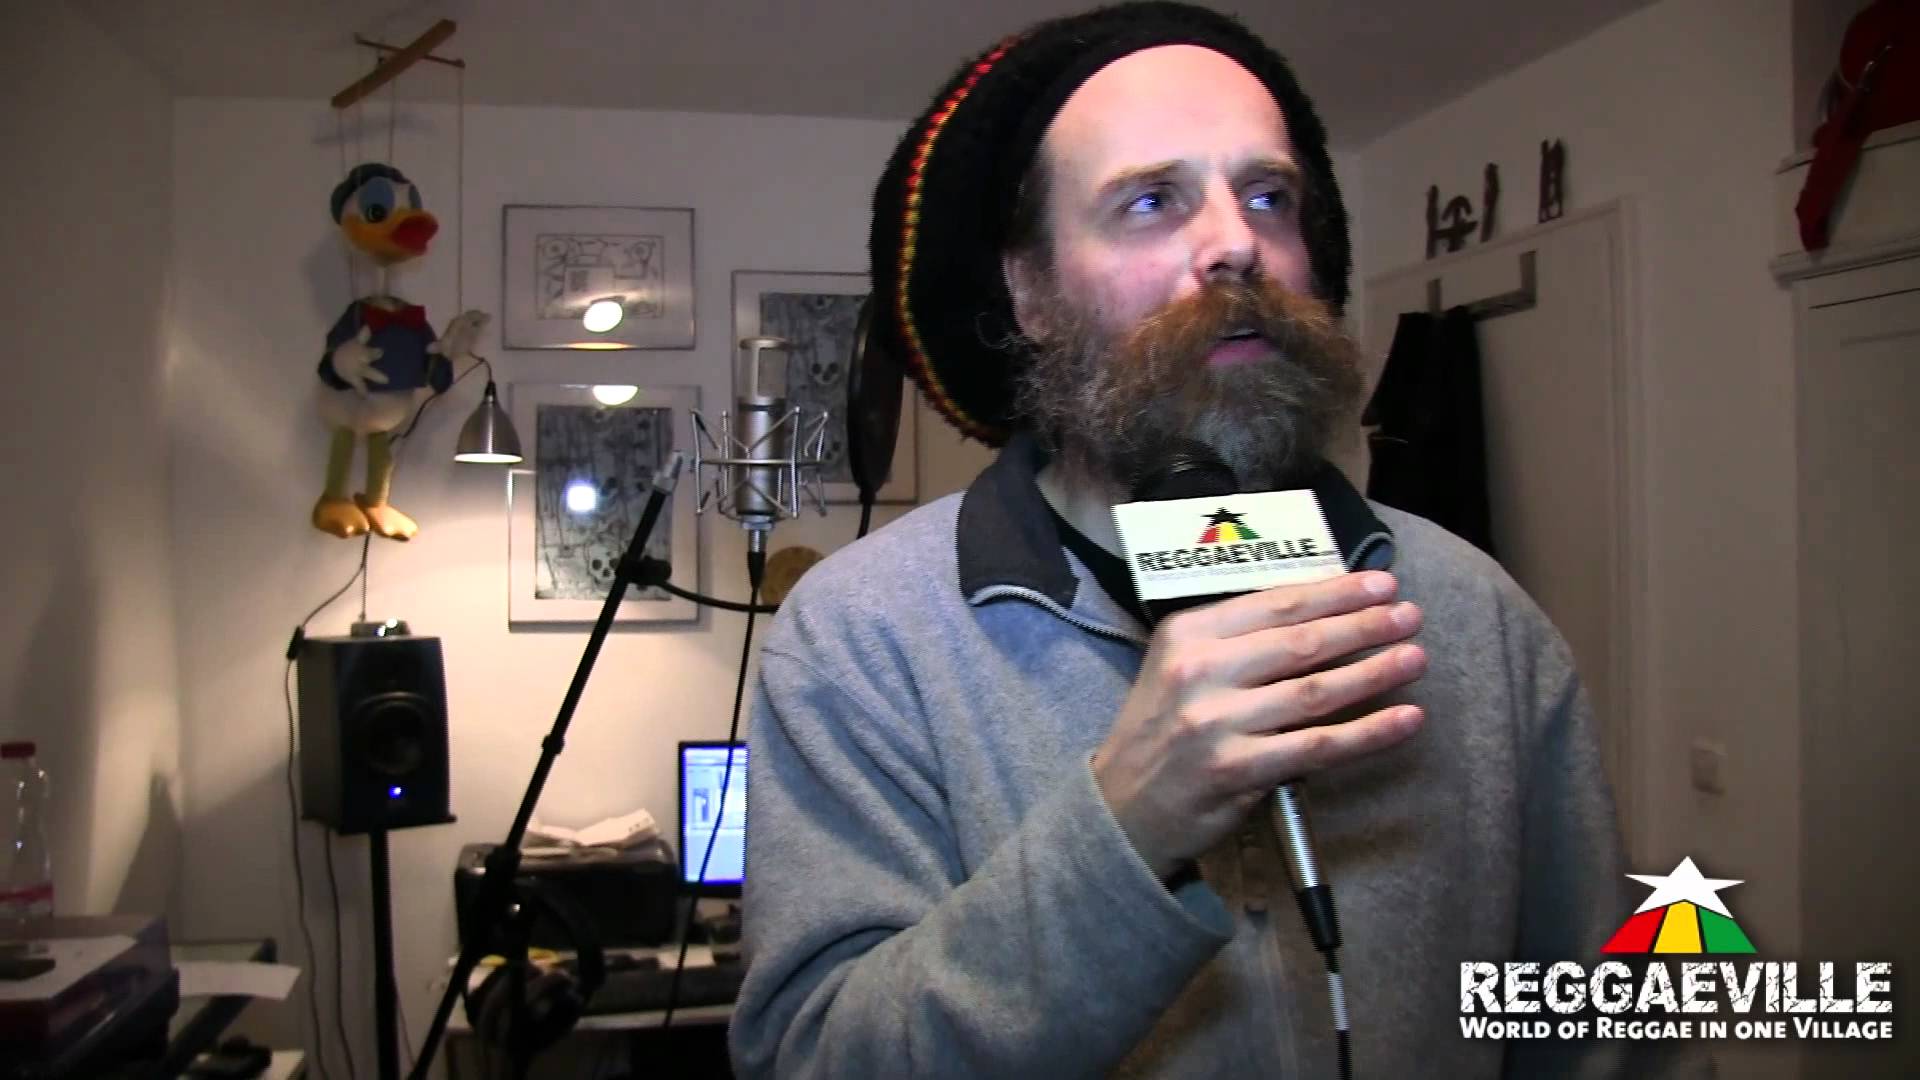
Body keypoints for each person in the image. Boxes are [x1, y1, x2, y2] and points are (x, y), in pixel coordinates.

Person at [730, 4, 1698, 1076]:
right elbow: (815, 1057)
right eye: (1152, 200)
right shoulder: (866, 637)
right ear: (1030, 291)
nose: (1237, 242)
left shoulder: (1472, 612)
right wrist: (1127, 827)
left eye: (1269, 196)